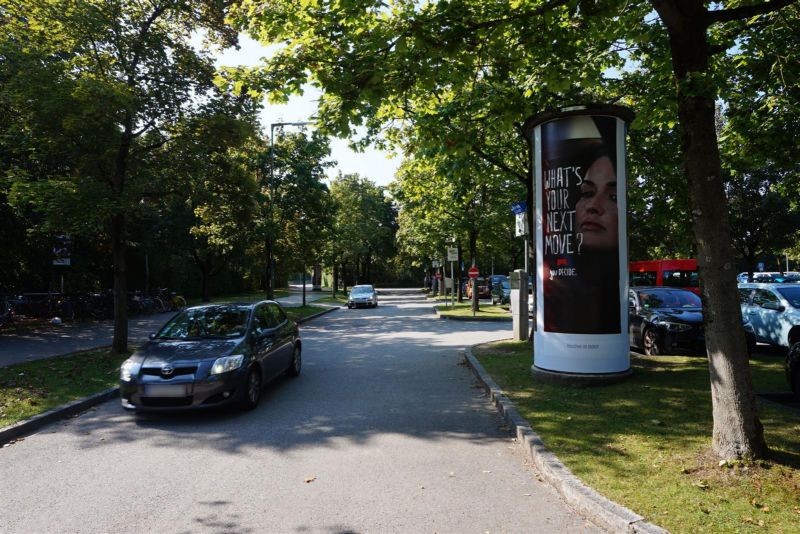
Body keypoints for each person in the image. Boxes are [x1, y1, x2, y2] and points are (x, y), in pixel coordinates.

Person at [542, 115, 621, 334]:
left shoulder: (615, 307)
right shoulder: (560, 295)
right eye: (587, 192)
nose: (594, 206)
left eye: (613, 197)